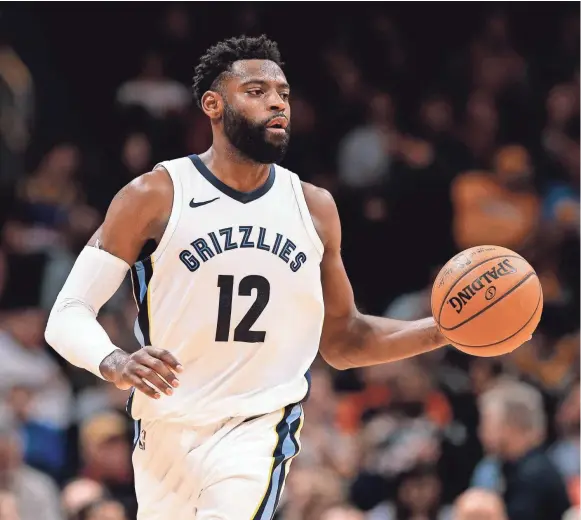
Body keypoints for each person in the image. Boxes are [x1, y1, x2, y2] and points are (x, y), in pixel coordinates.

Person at [46, 35, 489, 520]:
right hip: (163, 428)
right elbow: (67, 314)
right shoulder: (154, 195)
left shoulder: (314, 208)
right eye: (256, 91)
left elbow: (344, 341)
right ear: (213, 105)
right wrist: (112, 361)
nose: (277, 101)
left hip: (257, 426)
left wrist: (445, 331)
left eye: (283, 93)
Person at [475, 380, 570, 520]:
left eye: (487, 423)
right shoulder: (510, 467)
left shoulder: (535, 475)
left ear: (511, 426)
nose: (481, 432)